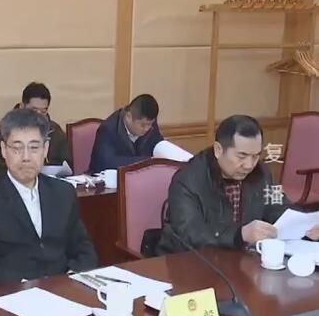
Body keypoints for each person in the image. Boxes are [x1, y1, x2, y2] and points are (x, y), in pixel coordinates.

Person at [0, 108, 98, 289]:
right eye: (17, 148)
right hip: (12, 294)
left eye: (34, 148)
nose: (26, 157)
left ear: (45, 149)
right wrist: (22, 285)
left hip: (63, 290)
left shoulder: (63, 193)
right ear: (3, 150)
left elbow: (84, 250)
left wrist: (70, 279)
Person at [156, 115, 319, 255]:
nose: (249, 165)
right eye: (241, 156)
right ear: (218, 150)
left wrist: (306, 226)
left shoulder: (262, 172)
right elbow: (189, 234)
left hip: (243, 260)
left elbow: (278, 205)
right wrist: (239, 235)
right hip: (192, 263)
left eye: (255, 156)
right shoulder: (187, 180)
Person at [0, 82, 71, 173]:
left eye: (43, 111)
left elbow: (67, 164)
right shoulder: (5, 130)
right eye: (34, 110)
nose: (38, 116)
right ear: (22, 106)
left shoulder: (55, 131)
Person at [88, 94, 163, 173]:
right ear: (128, 116)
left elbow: (158, 144)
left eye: (150, 124)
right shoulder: (108, 129)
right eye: (143, 125)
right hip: (108, 178)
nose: (147, 129)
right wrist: (148, 161)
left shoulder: (151, 125)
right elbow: (107, 163)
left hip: (141, 177)